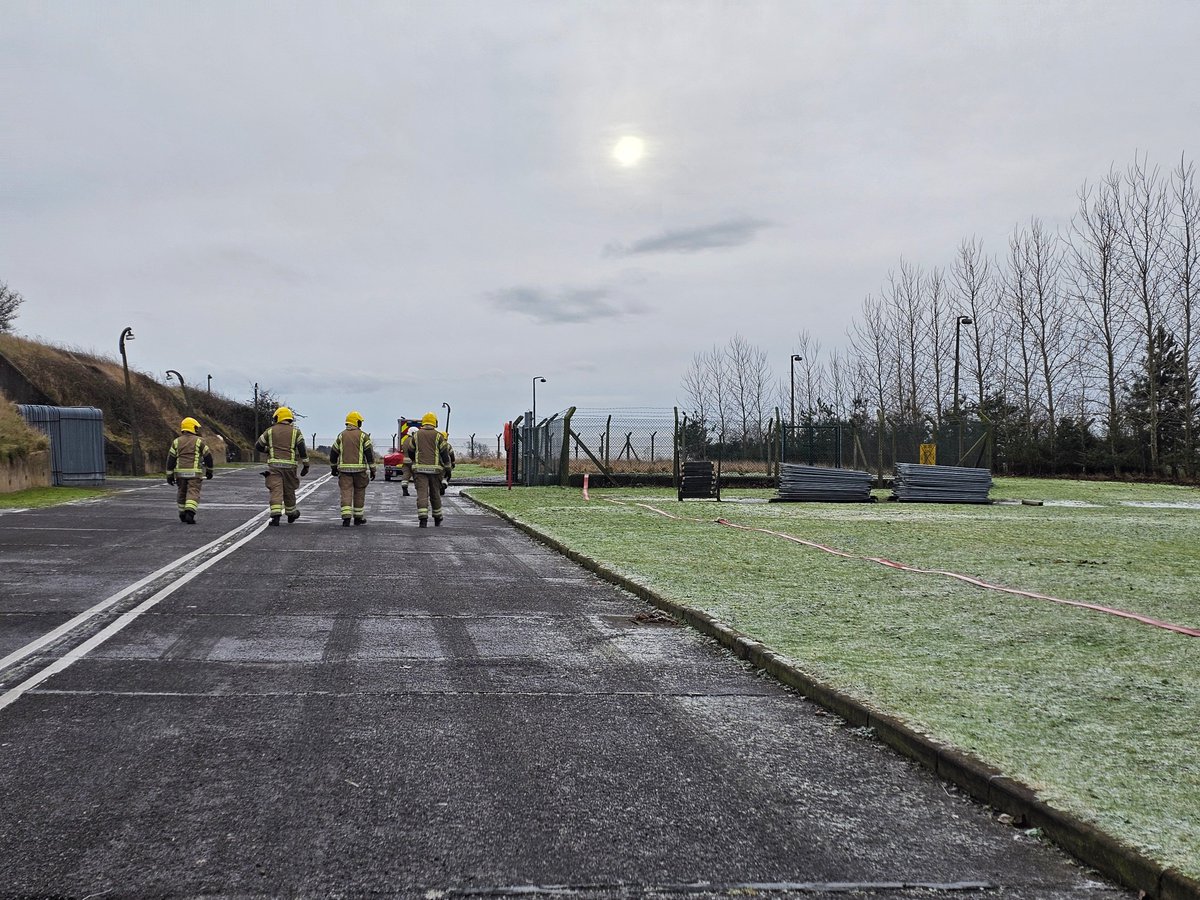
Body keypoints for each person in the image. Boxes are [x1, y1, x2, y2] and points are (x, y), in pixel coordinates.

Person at [255, 406, 309, 526]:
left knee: (276, 490)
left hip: (274, 467)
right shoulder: (296, 432)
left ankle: (275, 516)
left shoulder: (270, 431)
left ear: (277, 417)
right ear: (290, 419)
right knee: (289, 490)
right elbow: (302, 450)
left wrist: (268, 450)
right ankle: (291, 514)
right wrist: (306, 465)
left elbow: (258, 445)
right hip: (290, 468)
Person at [402, 411, 451, 527]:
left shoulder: (416, 435)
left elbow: (411, 450)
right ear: (435, 422)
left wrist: (415, 462)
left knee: (422, 495)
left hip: (419, 470)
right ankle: (437, 518)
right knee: (435, 494)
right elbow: (444, 453)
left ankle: (423, 519)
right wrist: (448, 468)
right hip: (436, 471)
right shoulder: (439, 436)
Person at [329, 410, 376, 526]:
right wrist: (373, 469)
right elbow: (369, 454)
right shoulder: (363, 436)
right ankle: (358, 518)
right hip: (360, 471)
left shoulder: (341, 435)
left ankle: (346, 518)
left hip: (344, 471)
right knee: (359, 492)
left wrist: (333, 467)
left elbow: (333, 452)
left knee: (346, 492)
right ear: (357, 422)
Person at [166, 417, 214, 525]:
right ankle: (190, 513)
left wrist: (169, 475)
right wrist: (209, 471)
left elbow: (171, 459)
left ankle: (182, 513)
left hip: (180, 473)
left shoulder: (176, 442)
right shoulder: (199, 441)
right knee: (193, 491)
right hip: (194, 473)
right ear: (193, 428)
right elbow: (208, 457)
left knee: (181, 492)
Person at [439, 430, 457, 495]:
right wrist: (453, 462)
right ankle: (444, 484)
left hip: (437, 465)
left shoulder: (435, 445)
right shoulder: (448, 446)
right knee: (447, 476)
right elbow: (452, 455)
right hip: (447, 465)